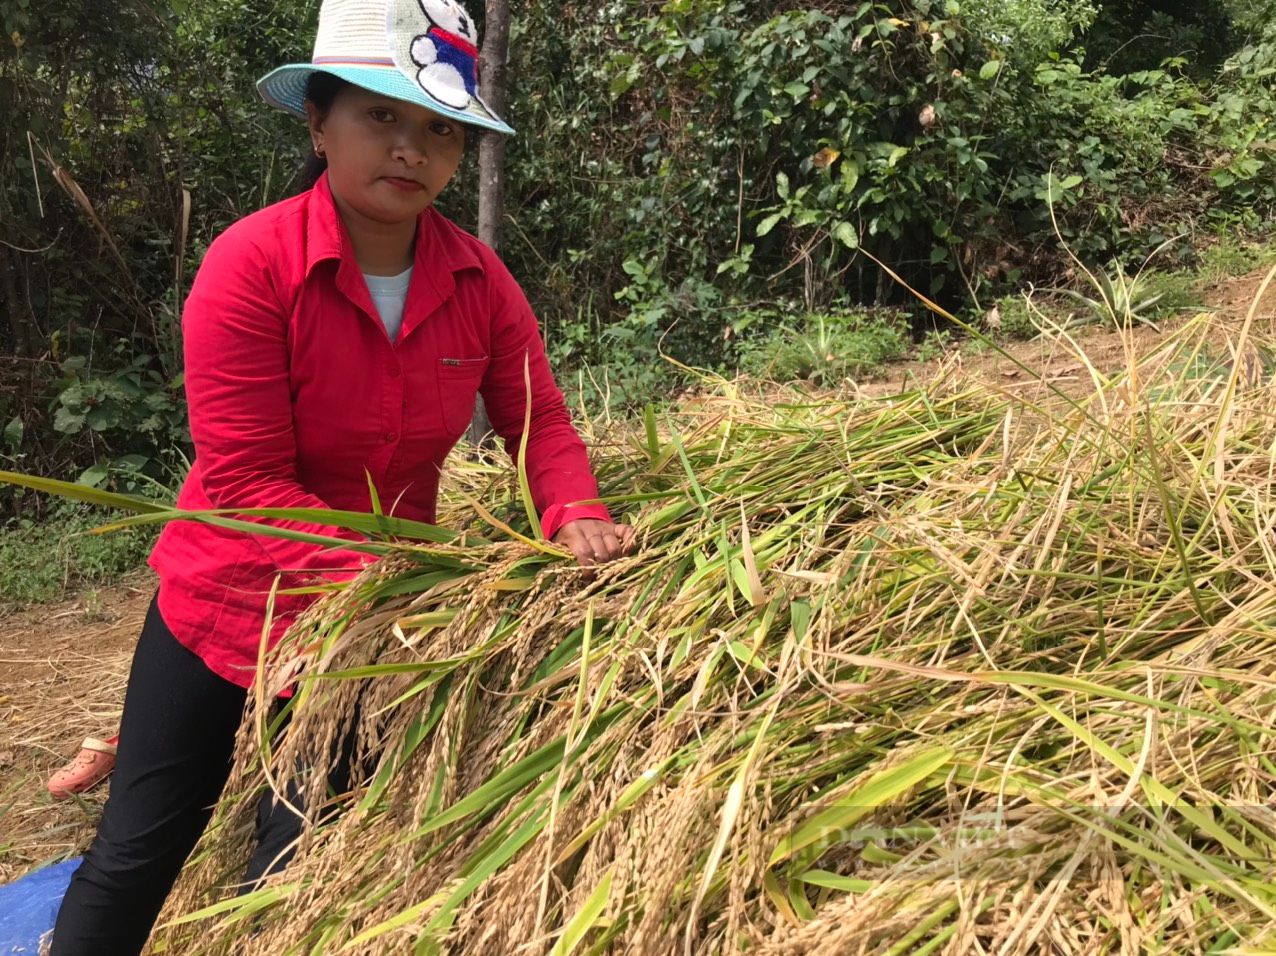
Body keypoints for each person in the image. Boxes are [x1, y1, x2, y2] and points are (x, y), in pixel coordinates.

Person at [49, 0, 635, 951]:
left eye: (440, 129)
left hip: (365, 638)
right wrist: (415, 576)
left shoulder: (479, 280)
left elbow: (540, 420)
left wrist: (575, 510)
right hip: (226, 606)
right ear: (318, 123)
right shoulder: (250, 265)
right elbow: (244, 483)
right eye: (381, 115)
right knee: (139, 850)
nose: (412, 148)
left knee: (295, 864)